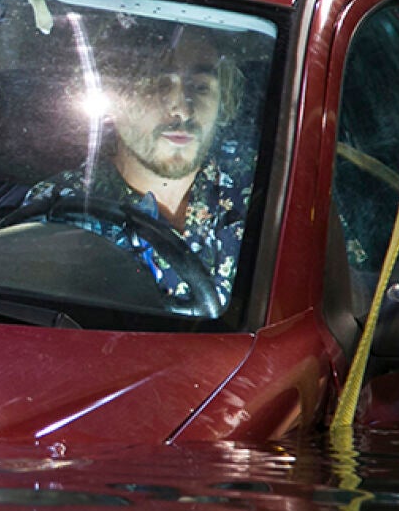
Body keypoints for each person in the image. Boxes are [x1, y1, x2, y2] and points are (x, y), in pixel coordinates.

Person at [20, 17, 251, 313]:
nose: (181, 107)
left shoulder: (263, 186)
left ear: (223, 100)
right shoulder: (61, 208)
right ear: (115, 102)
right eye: (157, 84)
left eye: (201, 86)